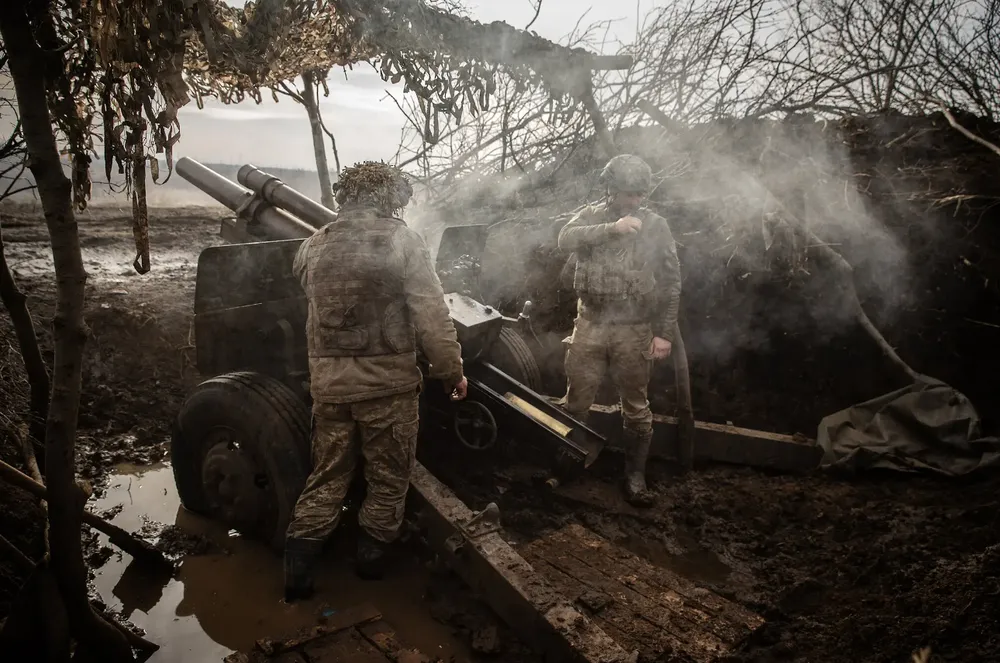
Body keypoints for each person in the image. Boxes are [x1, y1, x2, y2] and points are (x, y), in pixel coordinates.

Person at [283, 160, 468, 601]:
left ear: (345, 196)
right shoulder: (404, 240)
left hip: (329, 388)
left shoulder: (312, 246)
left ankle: (297, 575)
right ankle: (369, 568)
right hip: (388, 389)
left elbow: (308, 295)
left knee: (327, 477)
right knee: (388, 480)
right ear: (390, 197)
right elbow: (431, 314)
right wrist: (452, 370)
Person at [557, 154, 682, 507]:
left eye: (640, 194)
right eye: (628, 193)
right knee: (576, 399)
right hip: (590, 325)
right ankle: (568, 461)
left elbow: (672, 282)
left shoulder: (656, 226)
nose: (635, 201)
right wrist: (613, 229)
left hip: (634, 329)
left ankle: (634, 474)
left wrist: (664, 333)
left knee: (636, 406)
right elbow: (564, 239)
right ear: (611, 189)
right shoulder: (591, 217)